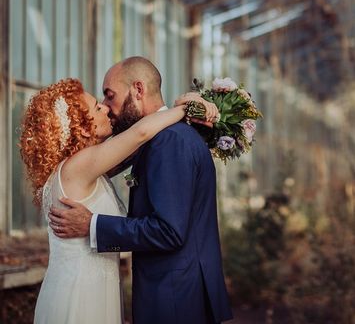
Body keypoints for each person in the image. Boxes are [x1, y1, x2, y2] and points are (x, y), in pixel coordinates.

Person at [49, 57, 233, 323]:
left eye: (109, 95)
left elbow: (169, 231)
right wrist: (185, 107)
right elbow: (123, 149)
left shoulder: (168, 141)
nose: (106, 107)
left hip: (174, 299)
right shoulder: (162, 138)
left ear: (138, 90)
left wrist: (93, 225)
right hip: (177, 292)